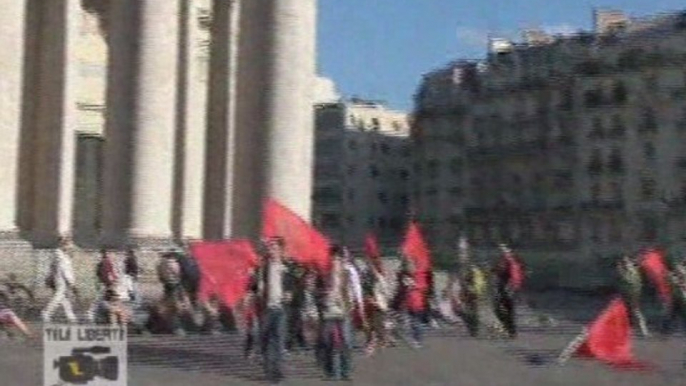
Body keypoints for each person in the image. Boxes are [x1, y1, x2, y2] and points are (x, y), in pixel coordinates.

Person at [320, 245, 364, 381]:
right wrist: (324, 294)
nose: (335, 262)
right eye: (333, 259)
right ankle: (330, 371)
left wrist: (358, 304)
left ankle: (345, 371)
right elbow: (317, 292)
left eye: (337, 259)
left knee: (346, 342)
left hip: (344, 310)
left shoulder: (348, 273)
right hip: (329, 311)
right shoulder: (325, 275)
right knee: (327, 342)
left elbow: (356, 288)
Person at [257, 237, 294, 384]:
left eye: (274, 248)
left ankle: (277, 372)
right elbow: (256, 284)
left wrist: (290, 292)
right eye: (270, 248)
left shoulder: (287, 267)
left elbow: (294, 284)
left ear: (280, 250)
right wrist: (256, 289)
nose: (271, 250)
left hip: (281, 308)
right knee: (265, 339)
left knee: (279, 340)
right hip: (267, 308)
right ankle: (267, 368)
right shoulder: (264, 267)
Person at [42, 237, 78, 324]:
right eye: (69, 245)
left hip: (62, 279)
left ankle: (71, 316)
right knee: (58, 297)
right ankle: (46, 312)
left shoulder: (63, 254)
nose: (70, 247)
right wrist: (71, 282)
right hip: (61, 279)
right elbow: (64, 270)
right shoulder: (59, 254)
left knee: (64, 298)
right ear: (64, 245)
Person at [491, 244, 524, 339]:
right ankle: (508, 328)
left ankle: (511, 330)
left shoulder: (514, 262)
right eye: (504, 250)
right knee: (498, 309)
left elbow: (517, 275)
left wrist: (515, 287)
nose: (505, 251)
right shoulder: (502, 260)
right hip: (501, 287)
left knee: (508, 310)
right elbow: (496, 271)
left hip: (509, 288)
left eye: (506, 249)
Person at [157, 251, 188, 335]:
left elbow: (159, 274)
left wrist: (164, 279)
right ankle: (176, 327)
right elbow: (177, 273)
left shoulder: (160, 264)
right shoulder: (173, 263)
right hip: (174, 283)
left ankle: (165, 323)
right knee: (175, 303)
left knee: (167, 302)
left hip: (166, 283)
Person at [617, 255, 649, 337]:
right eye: (624, 263)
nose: (625, 264)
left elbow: (628, 281)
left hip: (632, 295)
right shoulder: (631, 270)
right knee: (629, 313)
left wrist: (621, 270)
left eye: (626, 263)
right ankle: (635, 330)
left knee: (635, 312)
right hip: (627, 295)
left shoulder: (631, 272)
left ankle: (643, 331)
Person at [662, 261, 686, 336]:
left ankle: (666, 329)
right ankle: (666, 329)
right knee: (673, 314)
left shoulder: (680, 273)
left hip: (680, 296)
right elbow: (669, 284)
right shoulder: (674, 275)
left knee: (676, 314)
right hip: (677, 297)